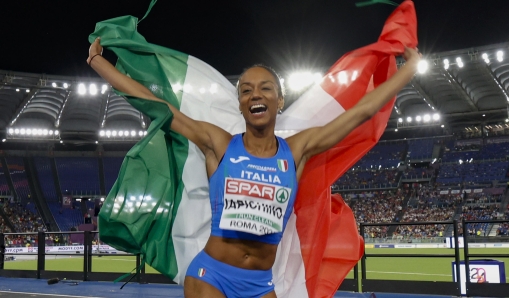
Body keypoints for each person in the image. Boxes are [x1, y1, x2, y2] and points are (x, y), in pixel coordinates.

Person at [87, 37, 420, 298]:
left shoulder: (298, 150)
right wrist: (99, 63)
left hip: (260, 284)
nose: (254, 94)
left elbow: (361, 112)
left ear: (280, 101)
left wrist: (408, 69)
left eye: (265, 88)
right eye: (246, 90)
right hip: (210, 275)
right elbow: (157, 105)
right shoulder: (218, 143)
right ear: (241, 105)